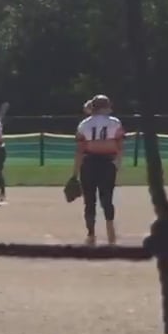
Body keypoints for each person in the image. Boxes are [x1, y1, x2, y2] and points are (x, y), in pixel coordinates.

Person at [72, 95, 124, 245]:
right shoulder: (115, 122)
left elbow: (80, 151)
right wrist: (117, 164)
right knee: (107, 200)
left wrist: (75, 174)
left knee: (89, 201)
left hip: (89, 164)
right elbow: (120, 147)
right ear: (106, 107)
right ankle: (111, 233)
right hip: (107, 164)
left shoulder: (84, 124)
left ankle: (91, 234)